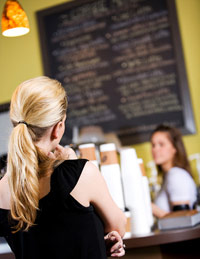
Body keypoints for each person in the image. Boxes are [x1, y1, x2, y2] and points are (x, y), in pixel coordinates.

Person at [0, 76, 126, 259]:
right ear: (58, 128)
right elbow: (118, 226)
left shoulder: (2, 191)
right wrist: (73, 165)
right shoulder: (81, 174)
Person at [150, 124, 197, 218]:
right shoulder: (169, 176)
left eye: (161, 144)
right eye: (153, 145)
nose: (155, 149)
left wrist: (148, 206)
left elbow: (182, 218)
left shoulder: (176, 175)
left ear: (174, 148)